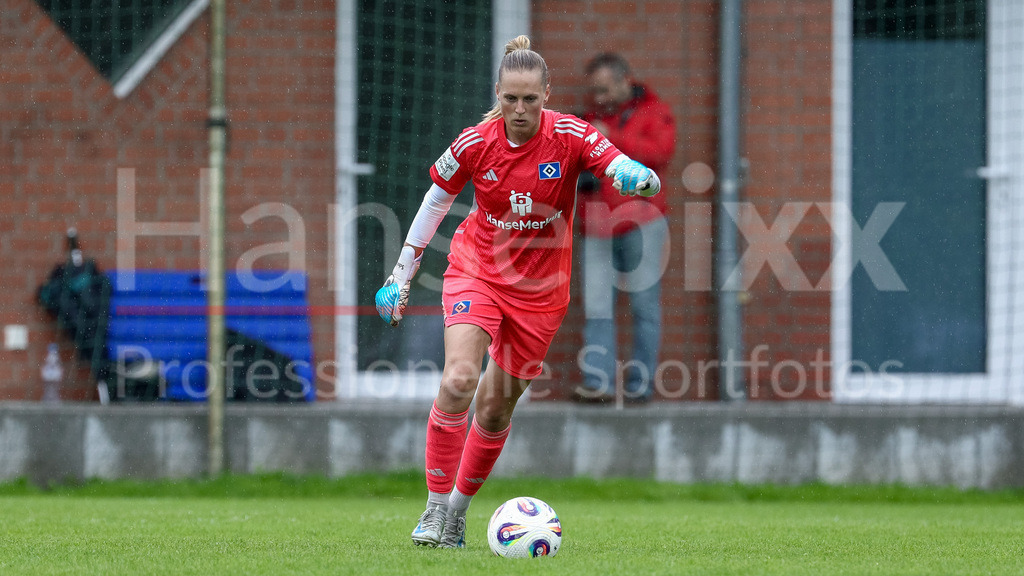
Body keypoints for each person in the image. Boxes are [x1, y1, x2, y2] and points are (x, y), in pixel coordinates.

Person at [374, 35, 662, 549]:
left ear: (547, 94)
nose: (521, 109)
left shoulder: (570, 134)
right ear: (498, 94)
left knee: (493, 408)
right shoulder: (475, 142)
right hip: (477, 269)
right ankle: (434, 509)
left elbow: (610, 160)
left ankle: (459, 513)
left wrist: (629, 173)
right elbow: (436, 200)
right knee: (460, 378)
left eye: (531, 99)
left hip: (541, 292)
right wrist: (401, 271)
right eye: (511, 99)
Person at [574, 53, 676, 404]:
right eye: (594, 91)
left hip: (642, 224)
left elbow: (660, 152)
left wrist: (610, 137)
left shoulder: (653, 111)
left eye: (604, 90)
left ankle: (640, 387)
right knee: (597, 306)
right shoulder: (587, 119)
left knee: (645, 308)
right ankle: (598, 382)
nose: (598, 98)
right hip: (598, 226)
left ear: (624, 80)